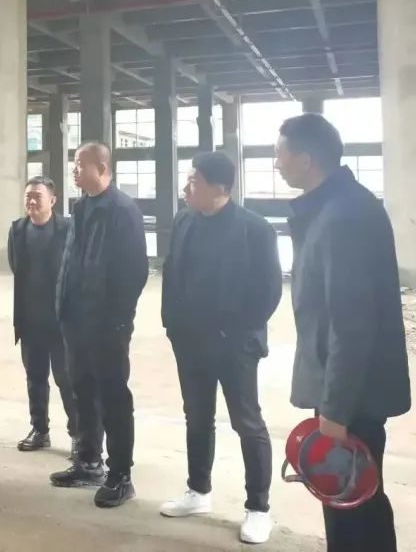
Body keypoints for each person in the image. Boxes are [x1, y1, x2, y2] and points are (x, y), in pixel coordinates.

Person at [275, 113, 410, 552]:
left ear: (307, 160)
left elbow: (351, 323)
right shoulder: (335, 208)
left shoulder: (343, 216)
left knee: (353, 502)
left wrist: (334, 410)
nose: (277, 163)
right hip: (347, 390)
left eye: (281, 153)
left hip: (353, 397)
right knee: (352, 499)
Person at [159, 151, 283, 545]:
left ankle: (258, 508)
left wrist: (235, 333)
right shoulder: (184, 221)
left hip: (235, 346)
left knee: (247, 422)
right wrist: (172, 326)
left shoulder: (255, 230)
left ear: (220, 188)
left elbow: (268, 292)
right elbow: (171, 274)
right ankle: (198, 491)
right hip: (190, 342)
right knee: (197, 417)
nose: (186, 187)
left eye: (194, 180)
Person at [50, 141, 149, 509]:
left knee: (113, 397)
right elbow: (72, 262)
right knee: (81, 391)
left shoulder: (123, 210)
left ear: (102, 169)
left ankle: (121, 475)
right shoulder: (81, 207)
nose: (74, 170)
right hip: (75, 321)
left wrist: (118, 320)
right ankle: (89, 462)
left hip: (107, 325)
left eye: (80, 164)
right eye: (74, 164)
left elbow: (135, 271)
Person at [7, 176, 77, 455]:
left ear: (53, 200)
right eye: (28, 196)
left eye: (37, 196)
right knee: (35, 378)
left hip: (61, 321)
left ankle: (78, 434)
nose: (32, 201)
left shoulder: (67, 229)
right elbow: (16, 267)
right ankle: (40, 430)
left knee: (66, 379)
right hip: (30, 320)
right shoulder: (18, 230)